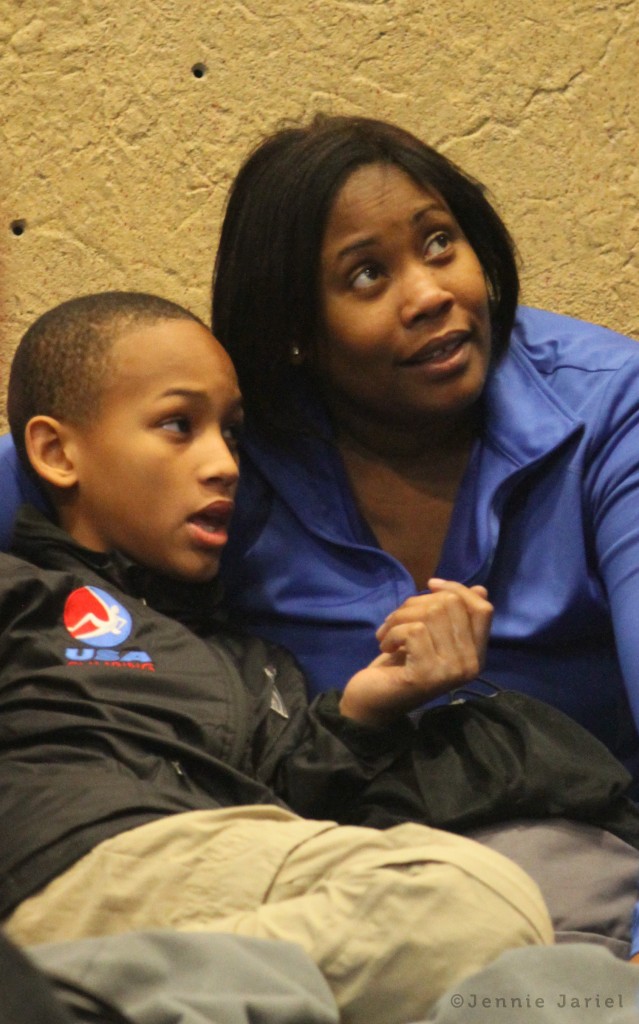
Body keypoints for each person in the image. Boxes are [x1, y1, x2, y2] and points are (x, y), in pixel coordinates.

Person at [0, 290, 554, 1024]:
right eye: (178, 425)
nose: (224, 464)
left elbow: (287, 796)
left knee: (558, 981)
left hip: (231, 882)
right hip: (71, 866)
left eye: (231, 434)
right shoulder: (23, 596)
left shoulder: (255, 663)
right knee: (475, 901)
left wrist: (368, 704)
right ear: (56, 452)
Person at [211, 113, 639, 793]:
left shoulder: (611, 408)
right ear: (293, 327)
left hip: (587, 857)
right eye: (366, 276)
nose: (429, 295)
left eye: (439, 242)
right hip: (323, 863)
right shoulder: (232, 453)